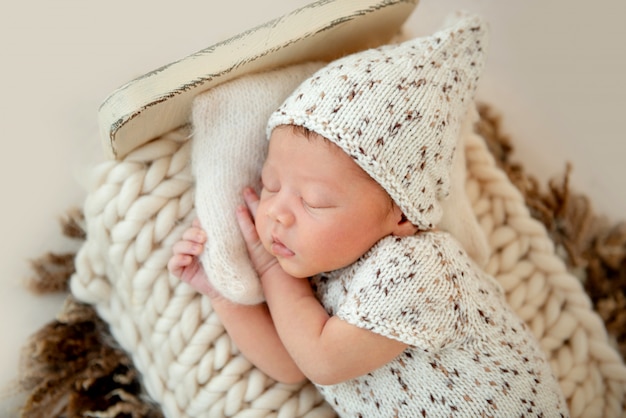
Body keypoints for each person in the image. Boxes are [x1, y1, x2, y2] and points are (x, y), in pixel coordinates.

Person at [168, 12, 569, 417]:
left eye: (315, 202)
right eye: (271, 185)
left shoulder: (419, 267)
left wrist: (269, 268)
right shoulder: (324, 271)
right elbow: (292, 365)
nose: (277, 213)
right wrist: (224, 296)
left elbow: (321, 361)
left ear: (400, 217)